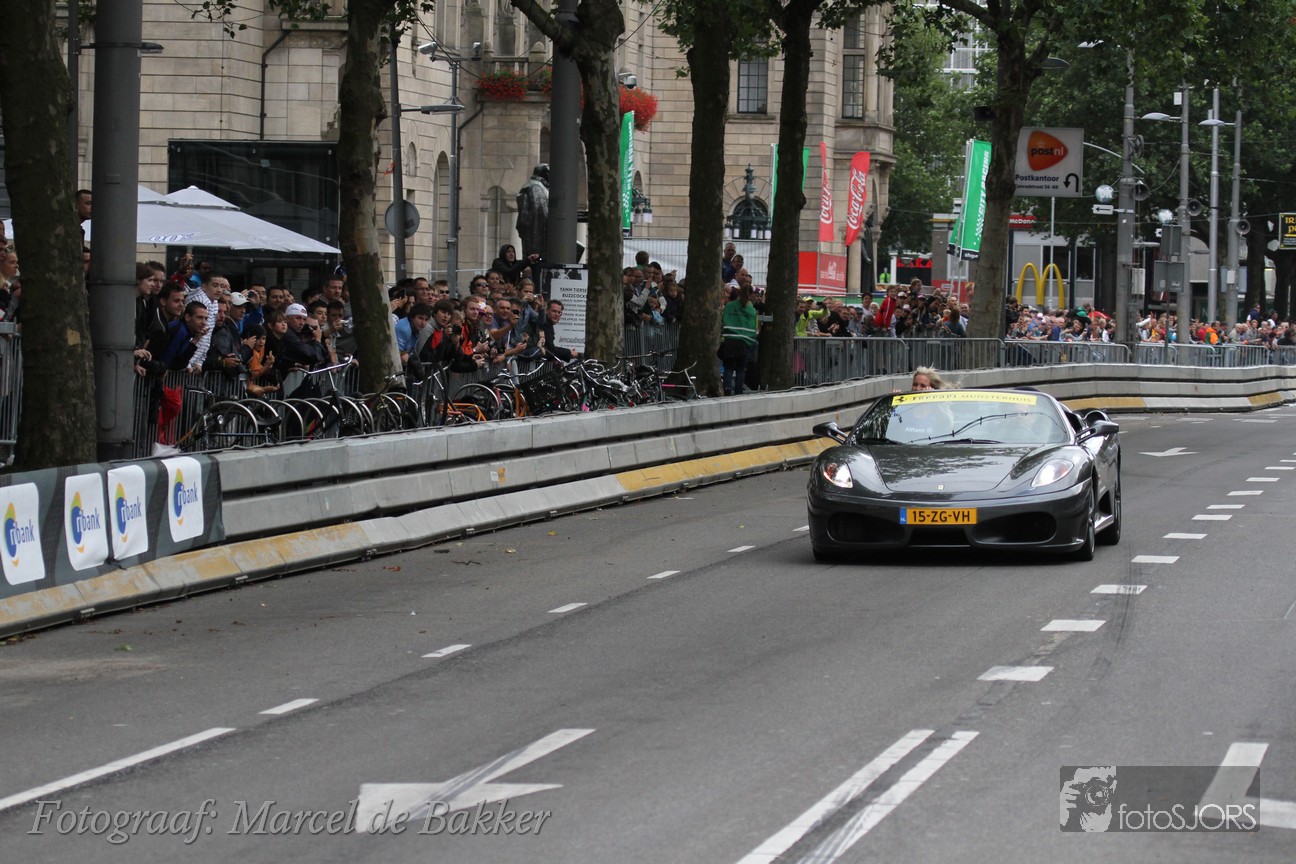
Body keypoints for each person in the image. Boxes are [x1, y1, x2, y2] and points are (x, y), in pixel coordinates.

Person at [719, 283, 758, 396]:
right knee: (741, 369)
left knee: (728, 368)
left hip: (730, 341)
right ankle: (738, 392)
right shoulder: (751, 310)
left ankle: (727, 391)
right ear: (750, 295)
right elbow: (753, 328)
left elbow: (724, 320)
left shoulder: (730, 306)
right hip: (744, 342)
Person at [516, 163, 550, 261]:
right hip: (537, 235)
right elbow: (540, 213)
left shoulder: (531, 186)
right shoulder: (536, 187)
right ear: (545, 174)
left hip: (530, 233)